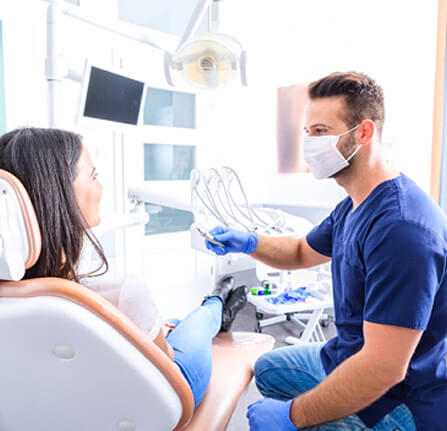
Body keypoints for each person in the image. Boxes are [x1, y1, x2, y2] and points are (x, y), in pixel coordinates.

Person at [206, 72, 447, 430]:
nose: (309, 144)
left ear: (363, 133)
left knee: (297, 418)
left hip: (401, 398)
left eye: (320, 132)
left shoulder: (402, 229)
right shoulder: (354, 204)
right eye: (308, 133)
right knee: (266, 371)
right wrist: (250, 242)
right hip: (349, 355)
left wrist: (293, 417)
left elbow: (384, 367)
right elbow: (303, 251)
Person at [0, 127, 248, 410]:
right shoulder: (123, 293)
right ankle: (217, 305)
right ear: (59, 193)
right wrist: (151, 331)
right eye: (93, 175)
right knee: (198, 326)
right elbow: (167, 372)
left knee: (175, 325)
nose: (101, 188)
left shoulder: (12, 300)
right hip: (157, 407)